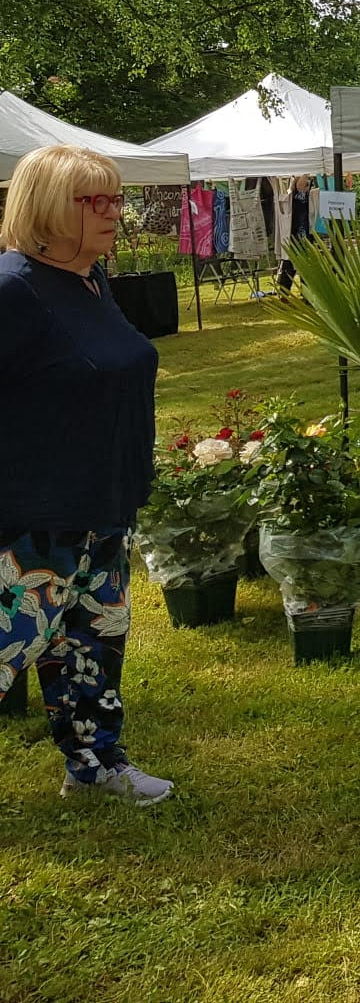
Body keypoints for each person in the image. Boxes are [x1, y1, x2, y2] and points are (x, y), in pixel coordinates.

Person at [0, 145, 172, 804]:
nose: (114, 213)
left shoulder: (90, 281)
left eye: (115, 198)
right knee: (8, 648)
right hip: (32, 518)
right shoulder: (13, 288)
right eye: (93, 201)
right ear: (46, 206)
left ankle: (96, 767)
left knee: (90, 649)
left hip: (103, 506)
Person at [274, 174, 316, 291]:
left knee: (294, 264)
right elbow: (301, 182)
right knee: (296, 264)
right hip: (300, 234)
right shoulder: (299, 196)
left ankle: (288, 291)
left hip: (299, 233)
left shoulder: (295, 195)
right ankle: (291, 291)